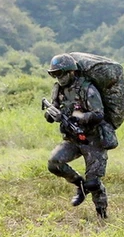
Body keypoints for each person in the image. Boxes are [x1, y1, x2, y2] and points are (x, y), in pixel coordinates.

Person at [44, 53, 110, 218]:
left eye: (60, 73)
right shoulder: (58, 89)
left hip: (92, 139)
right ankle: (79, 185)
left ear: (71, 72)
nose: (58, 78)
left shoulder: (87, 89)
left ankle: (102, 214)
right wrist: (51, 115)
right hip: (72, 138)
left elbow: (99, 114)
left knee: (94, 182)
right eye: (54, 74)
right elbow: (53, 110)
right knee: (54, 163)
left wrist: (78, 117)